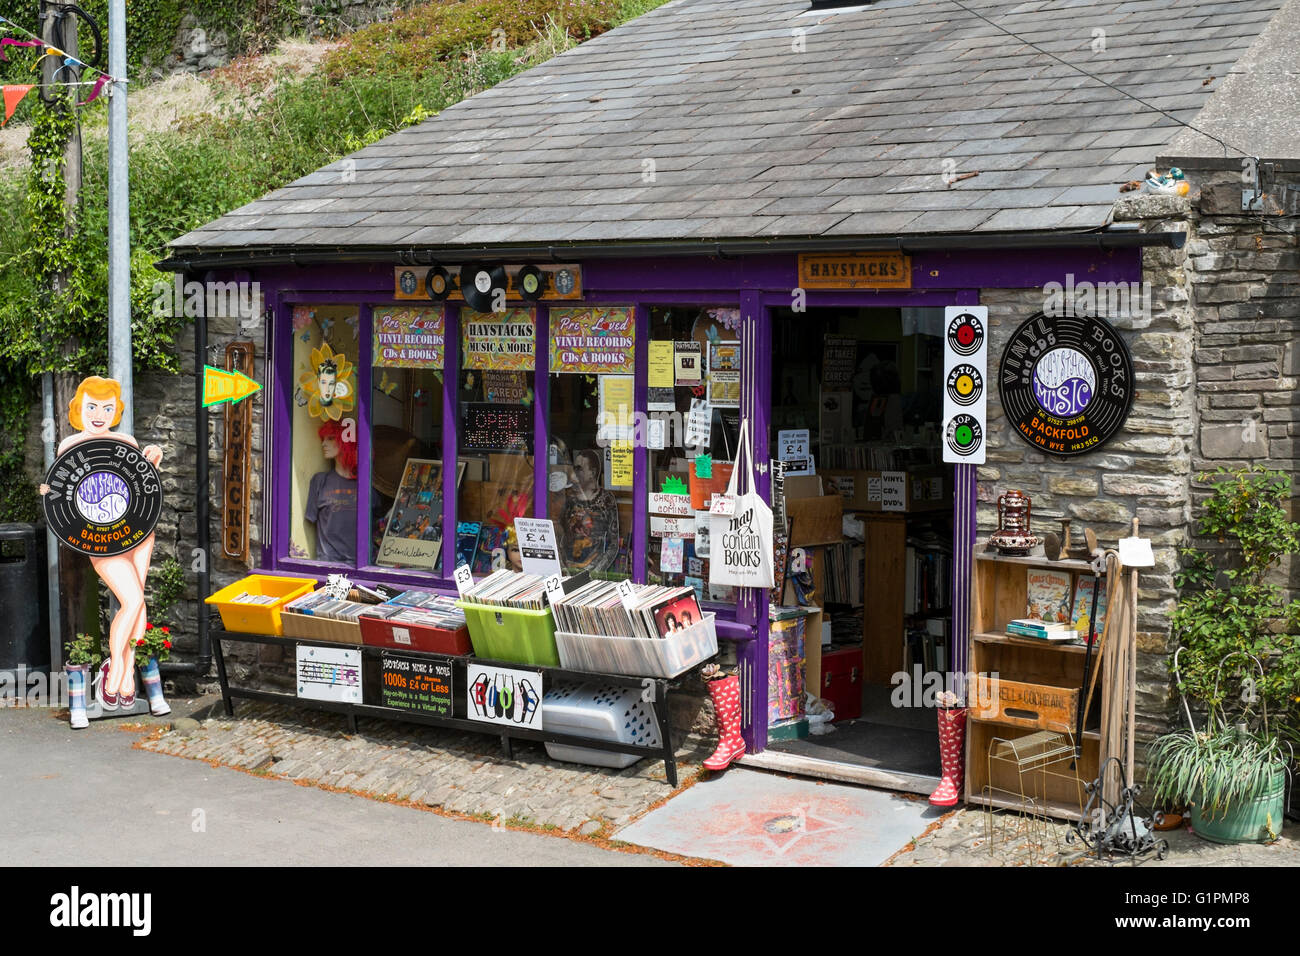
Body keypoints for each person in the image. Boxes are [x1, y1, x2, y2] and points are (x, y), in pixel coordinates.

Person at [40, 377, 163, 710]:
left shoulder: (127, 440)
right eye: (92, 406)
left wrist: (153, 455)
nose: (99, 414)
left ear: (115, 411)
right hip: (102, 539)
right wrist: (49, 494)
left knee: (138, 603)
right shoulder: (70, 445)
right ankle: (118, 669)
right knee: (133, 597)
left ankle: (124, 678)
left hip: (138, 531)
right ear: (79, 409)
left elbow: (139, 480)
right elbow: (63, 488)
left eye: (107, 407)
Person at [559, 449, 620, 574]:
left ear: (592, 473)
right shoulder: (570, 498)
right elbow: (560, 535)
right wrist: (562, 567)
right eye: (573, 469)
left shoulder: (606, 500)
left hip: (594, 571)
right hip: (568, 568)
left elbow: (613, 543)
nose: (574, 474)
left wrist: (596, 572)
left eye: (579, 469)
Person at [305, 420, 358, 562]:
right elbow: (311, 519)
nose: (323, 444)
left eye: (330, 438)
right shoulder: (320, 481)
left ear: (345, 442)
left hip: (360, 565)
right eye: (323, 439)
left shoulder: (365, 485)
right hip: (328, 565)